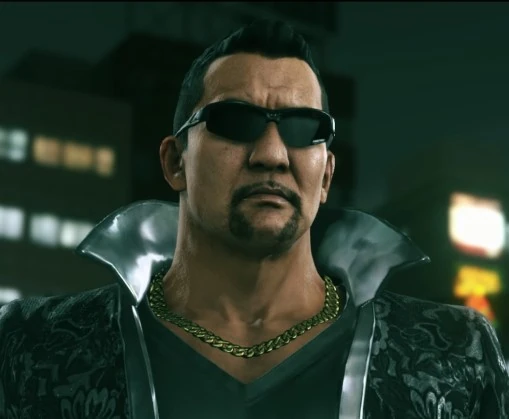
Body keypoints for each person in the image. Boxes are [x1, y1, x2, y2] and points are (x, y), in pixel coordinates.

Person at [1, 19, 508, 419]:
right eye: (235, 121)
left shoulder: (454, 351)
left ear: (327, 175)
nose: (272, 155)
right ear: (175, 162)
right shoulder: (32, 345)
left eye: (303, 128)